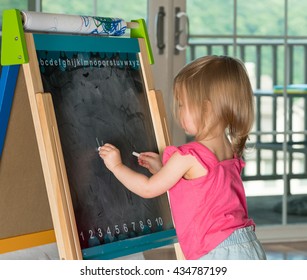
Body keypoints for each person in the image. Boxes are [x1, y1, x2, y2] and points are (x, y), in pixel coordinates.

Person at [98, 55, 267, 260]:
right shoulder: (229, 150)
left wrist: (116, 166)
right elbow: (203, 188)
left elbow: (148, 188)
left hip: (216, 251)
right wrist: (163, 170)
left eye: (182, 104)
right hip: (247, 246)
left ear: (206, 108)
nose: (178, 111)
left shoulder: (188, 155)